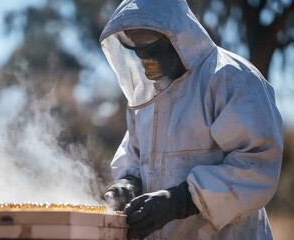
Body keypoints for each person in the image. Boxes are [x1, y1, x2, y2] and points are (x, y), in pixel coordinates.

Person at [99, 0, 284, 239]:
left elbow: (258, 166)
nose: (145, 58)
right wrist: (129, 181)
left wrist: (182, 200)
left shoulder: (232, 79)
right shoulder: (145, 95)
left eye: (151, 48)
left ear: (177, 36)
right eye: (137, 49)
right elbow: (134, 152)